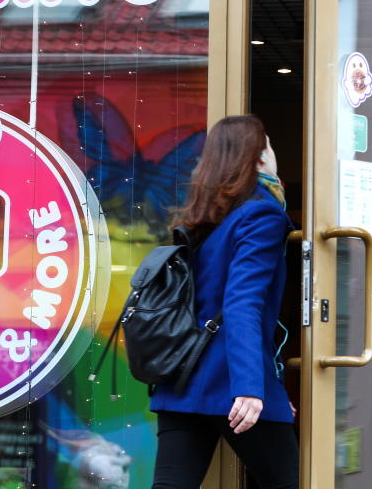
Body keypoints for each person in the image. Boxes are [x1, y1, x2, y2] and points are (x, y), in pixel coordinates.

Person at [149, 115, 298, 489]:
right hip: (233, 382)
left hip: (181, 380)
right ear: (260, 157)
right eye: (270, 145)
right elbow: (242, 304)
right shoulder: (262, 213)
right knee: (283, 482)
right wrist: (252, 386)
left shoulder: (208, 214)